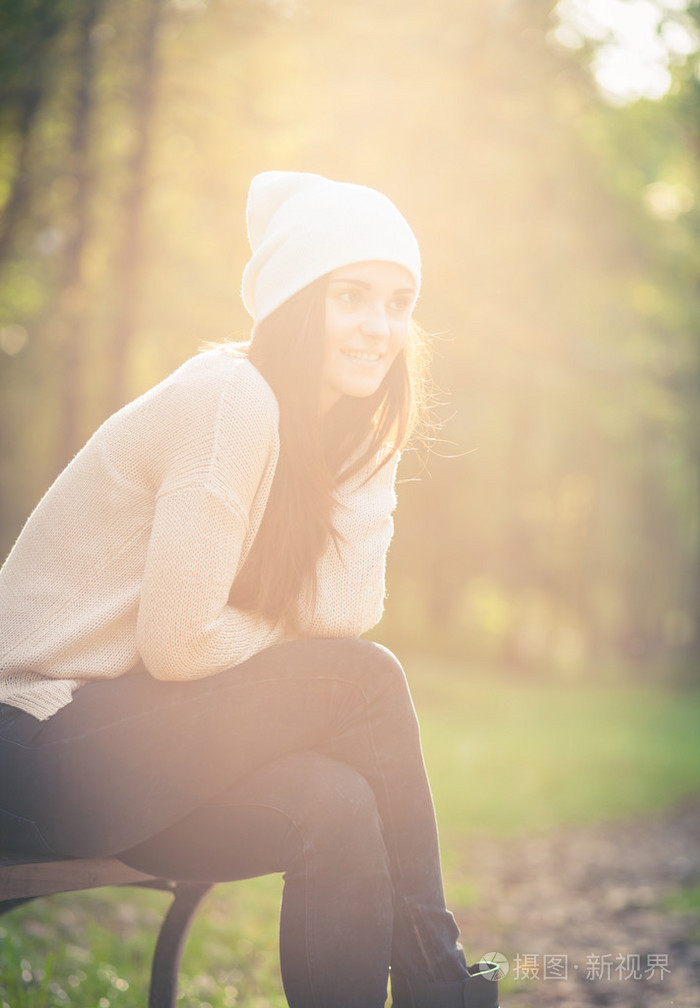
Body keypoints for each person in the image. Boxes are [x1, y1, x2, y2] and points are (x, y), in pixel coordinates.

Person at [0, 171, 499, 1008]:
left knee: (335, 806)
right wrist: (297, 645)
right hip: (32, 746)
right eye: (352, 297)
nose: (381, 327)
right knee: (365, 679)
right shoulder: (229, 399)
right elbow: (181, 643)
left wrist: (368, 457)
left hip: (117, 747)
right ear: (298, 302)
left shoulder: (319, 433)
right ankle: (435, 985)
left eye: (398, 302)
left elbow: (345, 611)